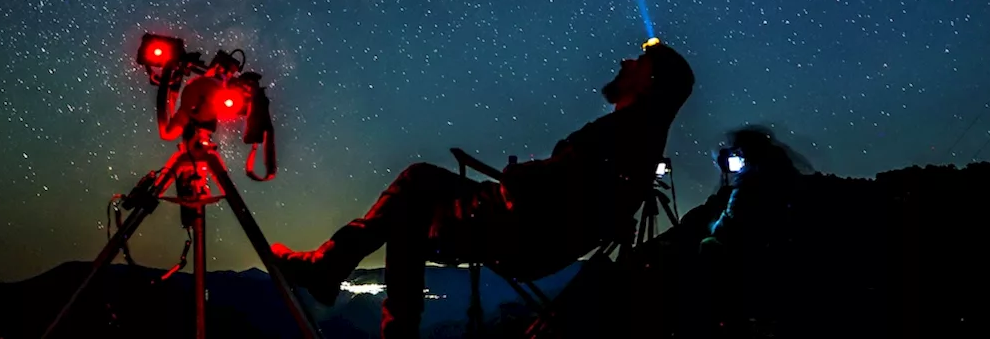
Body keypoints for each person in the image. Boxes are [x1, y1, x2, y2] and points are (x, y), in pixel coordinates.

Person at [271, 39, 695, 338]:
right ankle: (341, 282)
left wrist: (517, 178)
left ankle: (328, 270)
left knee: (416, 183)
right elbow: (571, 188)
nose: (625, 61)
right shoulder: (636, 140)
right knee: (411, 211)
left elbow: (556, 185)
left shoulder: (620, 134)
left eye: (638, 62)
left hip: (517, 232)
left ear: (651, 81)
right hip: (534, 235)